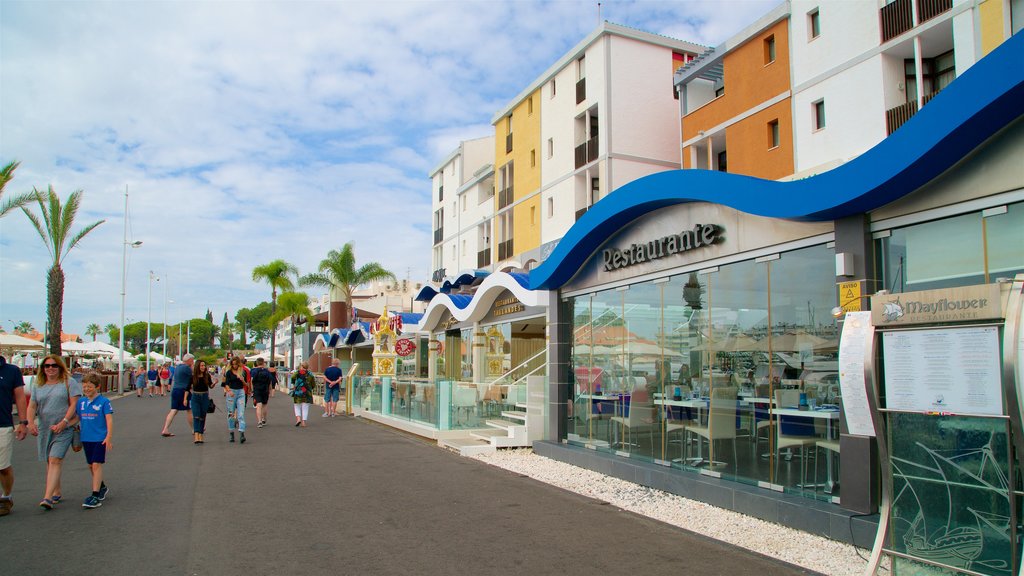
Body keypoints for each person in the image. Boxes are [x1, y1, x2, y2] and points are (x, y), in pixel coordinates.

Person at [25, 354, 81, 510]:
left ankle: (47, 497)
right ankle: (56, 490)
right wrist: (30, 422)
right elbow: (32, 405)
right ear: (43, 368)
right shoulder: (38, 384)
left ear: (60, 367)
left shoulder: (69, 382)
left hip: (65, 427)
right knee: (49, 461)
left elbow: (74, 404)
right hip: (45, 427)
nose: (50, 368)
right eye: (47, 366)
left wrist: (64, 422)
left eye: (54, 365)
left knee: (55, 459)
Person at [75, 372, 112, 509]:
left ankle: (95, 495)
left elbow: (109, 419)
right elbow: (77, 417)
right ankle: (101, 486)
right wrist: (63, 424)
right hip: (86, 437)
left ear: (97, 387)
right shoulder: (81, 402)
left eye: (90, 386)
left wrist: (108, 436)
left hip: (99, 438)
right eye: (84, 387)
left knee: (96, 464)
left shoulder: (104, 402)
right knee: (91, 465)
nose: (86, 389)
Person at [0, 354, 29, 517]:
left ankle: (6, 495)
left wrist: (23, 422)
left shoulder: (12, 371)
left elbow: (19, 397)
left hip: (3, 424)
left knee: (2, 467)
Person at [160, 355, 194, 437]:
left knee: (174, 410)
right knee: (189, 410)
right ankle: (194, 429)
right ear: (189, 360)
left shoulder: (178, 367)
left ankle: (165, 429)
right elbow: (193, 376)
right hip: (183, 391)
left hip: (175, 390)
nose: (193, 362)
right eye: (192, 360)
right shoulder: (187, 368)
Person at [221, 357, 248, 443]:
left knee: (241, 413)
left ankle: (242, 433)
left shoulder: (242, 372)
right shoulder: (228, 372)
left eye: (236, 364)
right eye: (233, 364)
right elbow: (225, 383)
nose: (235, 366)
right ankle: (231, 432)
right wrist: (229, 391)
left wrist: (242, 380)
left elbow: (246, 384)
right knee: (231, 413)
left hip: (240, 392)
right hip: (231, 391)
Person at [188, 360, 214, 444]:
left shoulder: (207, 376)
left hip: (205, 397)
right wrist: (185, 399)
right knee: (196, 416)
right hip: (195, 397)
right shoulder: (193, 377)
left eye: (204, 365)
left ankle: (201, 434)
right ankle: (196, 435)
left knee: (203, 416)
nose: (203, 367)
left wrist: (215, 383)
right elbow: (187, 388)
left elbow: (210, 386)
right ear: (198, 367)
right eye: (201, 366)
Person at [250, 358, 273, 428]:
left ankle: (259, 421)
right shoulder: (267, 371)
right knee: (264, 405)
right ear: (263, 363)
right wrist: (270, 389)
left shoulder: (253, 371)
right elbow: (270, 381)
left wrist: (252, 390)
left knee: (258, 406)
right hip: (265, 389)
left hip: (257, 389)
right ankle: (264, 419)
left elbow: (251, 381)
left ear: (256, 363)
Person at [290, 362, 315, 427]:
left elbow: (292, 377)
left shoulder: (297, 372)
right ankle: (304, 422)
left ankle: (298, 419)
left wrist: (293, 383)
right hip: (307, 392)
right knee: (305, 407)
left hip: (298, 391)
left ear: (301, 366)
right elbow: (313, 384)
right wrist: (310, 388)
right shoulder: (310, 374)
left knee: (297, 406)